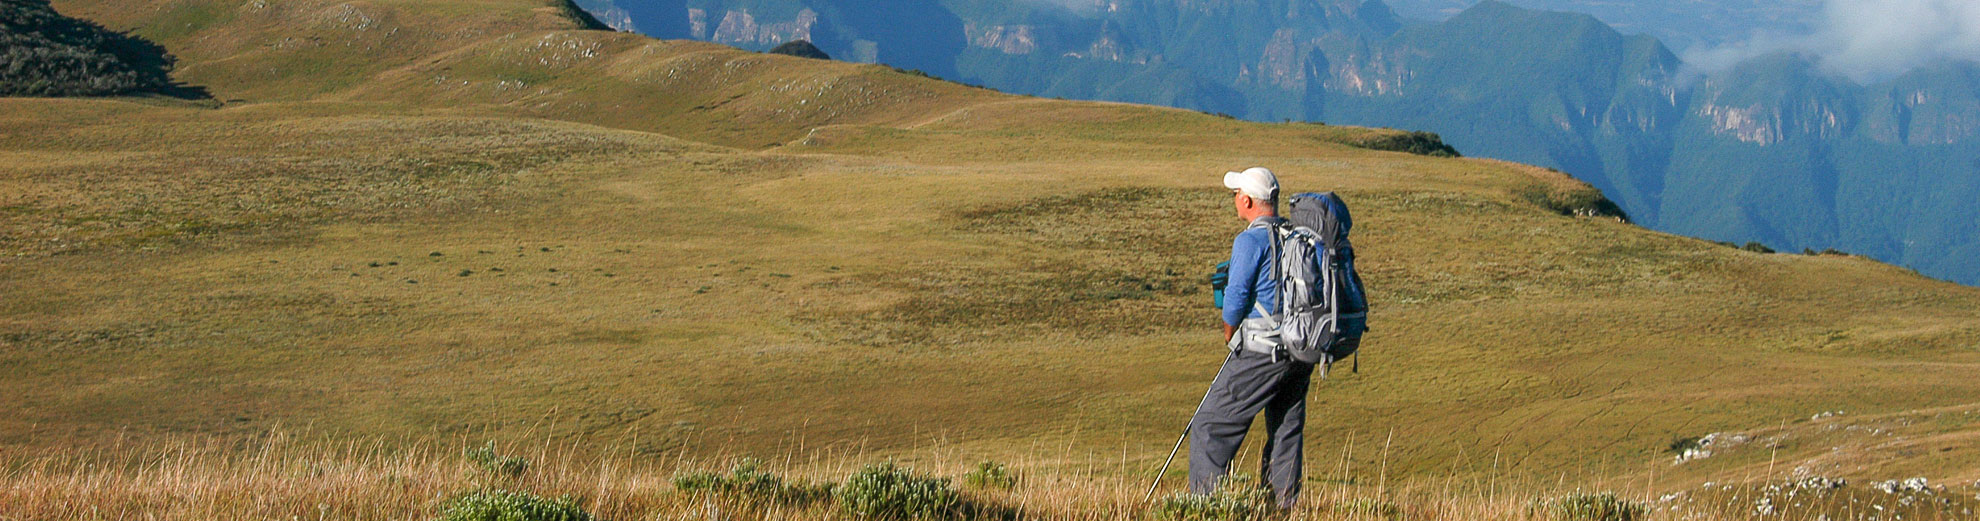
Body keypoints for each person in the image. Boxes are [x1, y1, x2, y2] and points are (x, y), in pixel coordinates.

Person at [1188, 166, 1315, 508]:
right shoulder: (1298, 236)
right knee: (1285, 430)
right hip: (1299, 350)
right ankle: (1281, 508)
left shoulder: (1249, 240)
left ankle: (1206, 508)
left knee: (1210, 426)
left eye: (1235, 195)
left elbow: (1235, 299)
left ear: (1246, 200)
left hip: (1261, 351)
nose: (1234, 200)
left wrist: (1230, 334)